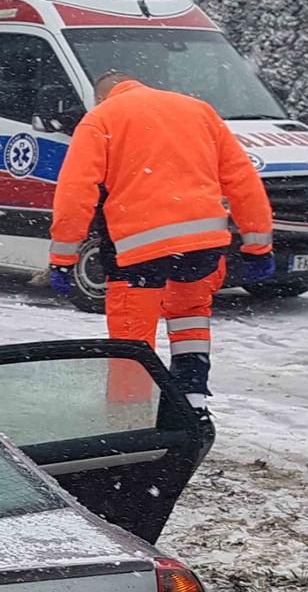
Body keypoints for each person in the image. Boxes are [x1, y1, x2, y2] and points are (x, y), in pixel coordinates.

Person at [48, 71, 275, 409]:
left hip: (135, 249)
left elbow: (75, 193)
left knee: (132, 336)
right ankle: (193, 399)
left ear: (101, 97)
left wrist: (63, 259)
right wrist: (258, 247)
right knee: (190, 318)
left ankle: (130, 412)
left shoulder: (102, 118)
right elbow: (242, 180)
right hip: (202, 244)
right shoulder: (198, 110)